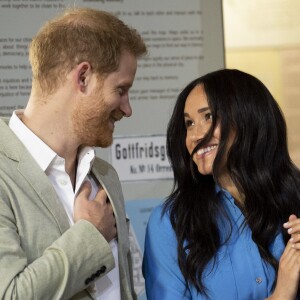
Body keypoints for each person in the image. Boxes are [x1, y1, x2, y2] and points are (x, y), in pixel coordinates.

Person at [0, 7, 147, 300]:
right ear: (83, 78)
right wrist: (90, 235)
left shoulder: (105, 176)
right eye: (121, 90)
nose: (127, 109)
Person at [143, 69, 300, 300]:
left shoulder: (294, 199)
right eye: (189, 123)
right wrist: (280, 296)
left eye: (208, 117)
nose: (195, 135)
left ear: (248, 119)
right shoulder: (170, 223)